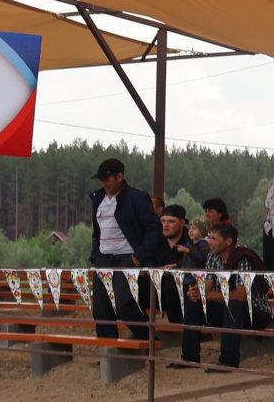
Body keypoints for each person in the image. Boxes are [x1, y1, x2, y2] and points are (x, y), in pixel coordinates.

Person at [88, 158, 162, 341]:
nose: (103, 183)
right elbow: (97, 230)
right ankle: (109, 352)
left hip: (127, 257)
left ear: (120, 177)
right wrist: (96, 254)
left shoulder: (137, 198)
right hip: (103, 258)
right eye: (101, 180)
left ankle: (148, 340)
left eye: (107, 179)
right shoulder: (98, 200)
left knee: (124, 304)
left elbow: (154, 229)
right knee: (100, 308)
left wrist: (138, 258)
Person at [179, 222, 270, 371]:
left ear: (228, 242)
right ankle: (190, 358)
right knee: (194, 303)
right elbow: (207, 286)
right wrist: (198, 292)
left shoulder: (243, 258)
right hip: (226, 311)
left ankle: (229, 361)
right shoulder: (212, 258)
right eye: (209, 238)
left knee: (233, 304)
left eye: (214, 239)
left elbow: (241, 295)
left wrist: (206, 294)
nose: (209, 242)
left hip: (255, 313)